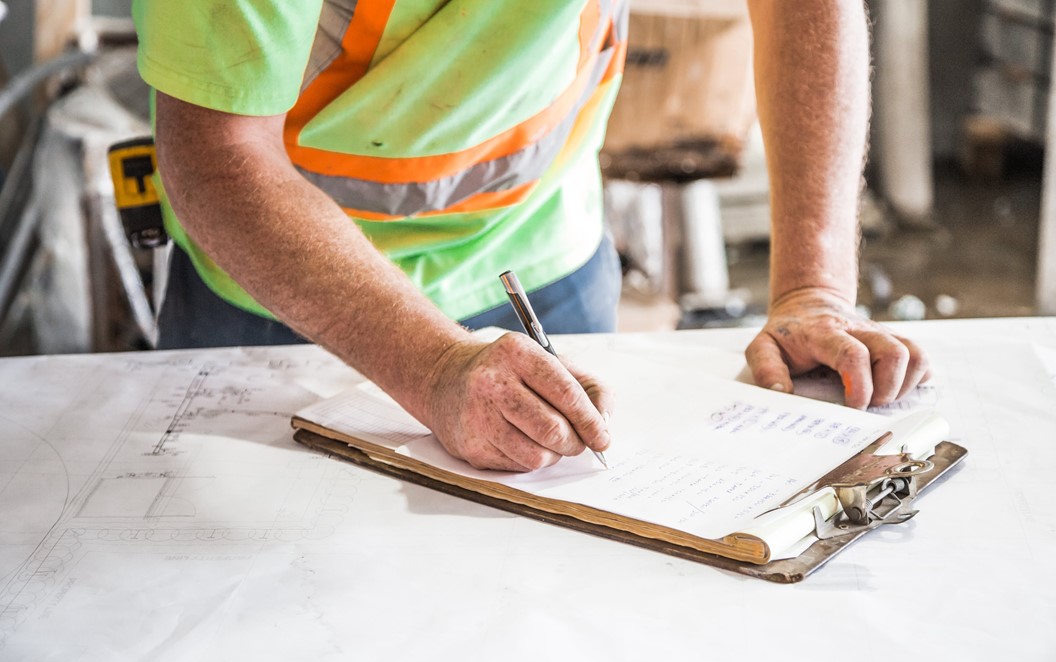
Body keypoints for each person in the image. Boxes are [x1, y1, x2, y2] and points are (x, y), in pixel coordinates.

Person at [132, 1, 928, 472]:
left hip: (545, 254)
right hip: (286, 297)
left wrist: (813, 288)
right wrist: (434, 365)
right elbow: (216, 152)